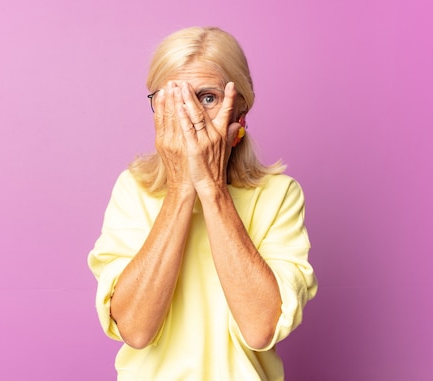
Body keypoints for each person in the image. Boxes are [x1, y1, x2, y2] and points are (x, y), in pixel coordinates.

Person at [88, 26, 317, 380]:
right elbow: (135, 330)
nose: (189, 116)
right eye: (173, 99)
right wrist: (182, 188)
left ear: (240, 107)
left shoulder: (279, 196)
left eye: (206, 97)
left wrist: (211, 188)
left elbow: (261, 329)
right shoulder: (133, 190)